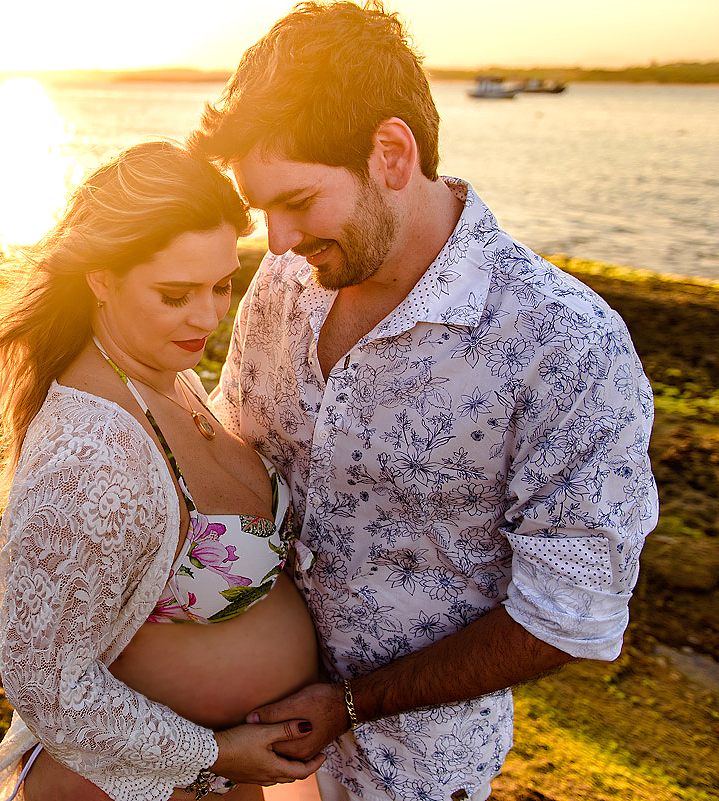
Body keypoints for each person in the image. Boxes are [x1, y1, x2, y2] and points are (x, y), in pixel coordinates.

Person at [187, 3, 659, 800]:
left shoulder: (564, 342)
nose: (274, 240)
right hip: (238, 732)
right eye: (263, 209)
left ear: (393, 152)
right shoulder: (282, 283)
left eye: (298, 201)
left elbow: (569, 609)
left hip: (407, 771)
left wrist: (346, 704)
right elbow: (233, 455)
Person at [0, 141, 329, 801]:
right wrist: (215, 753)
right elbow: (47, 685)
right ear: (101, 277)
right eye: (175, 293)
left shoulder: (165, 373)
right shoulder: (86, 452)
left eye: (222, 283)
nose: (207, 316)